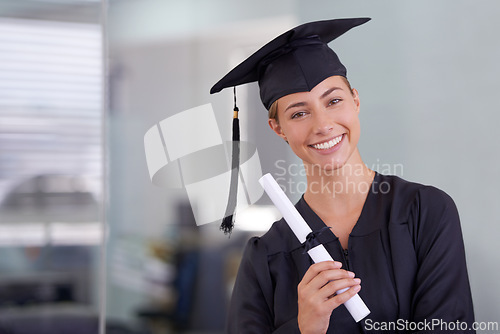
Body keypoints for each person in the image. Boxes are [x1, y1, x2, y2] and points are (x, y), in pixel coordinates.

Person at [210, 18, 475, 334]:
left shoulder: (425, 212)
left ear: (356, 101)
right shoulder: (266, 257)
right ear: (278, 128)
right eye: (299, 113)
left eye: (333, 100)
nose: (322, 124)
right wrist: (304, 328)